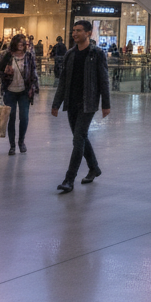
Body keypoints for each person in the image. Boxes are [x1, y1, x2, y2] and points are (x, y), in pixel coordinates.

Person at [51, 20, 112, 194]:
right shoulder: (70, 54)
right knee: (82, 137)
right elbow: (63, 81)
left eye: (78, 30)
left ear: (88, 33)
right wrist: (56, 103)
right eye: (73, 30)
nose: (75, 33)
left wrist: (106, 104)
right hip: (71, 103)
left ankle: (69, 179)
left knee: (78, 139)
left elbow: (104, 80)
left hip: (88, 103)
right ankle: (94, 168)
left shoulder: (96, 54)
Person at [0, 34, 39, 155]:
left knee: (24, 117)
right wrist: (5, 72)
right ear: (14, 43)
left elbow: (33, 72)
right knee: (11, 117)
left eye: (23, 42)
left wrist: (33, 88)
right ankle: (12, 145)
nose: (21, 44)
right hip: (9, 91)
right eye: (19, 42)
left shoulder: (29, 56)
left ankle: (21, 141)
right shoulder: (7, 56)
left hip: (24, 91)